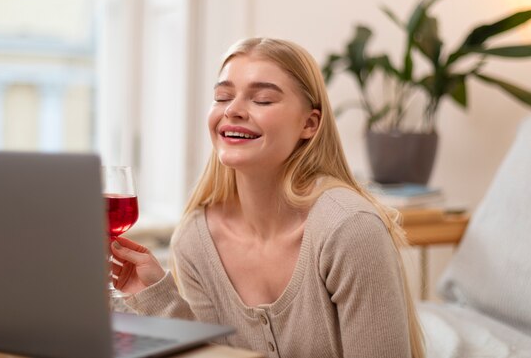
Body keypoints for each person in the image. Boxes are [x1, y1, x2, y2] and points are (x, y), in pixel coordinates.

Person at [111, 37, 425, 358]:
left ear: (309, 124)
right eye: (222, 97)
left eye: (261, 100)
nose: (232, 110)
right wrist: (159, 298)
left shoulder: (348, 230)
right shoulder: (196, 239)